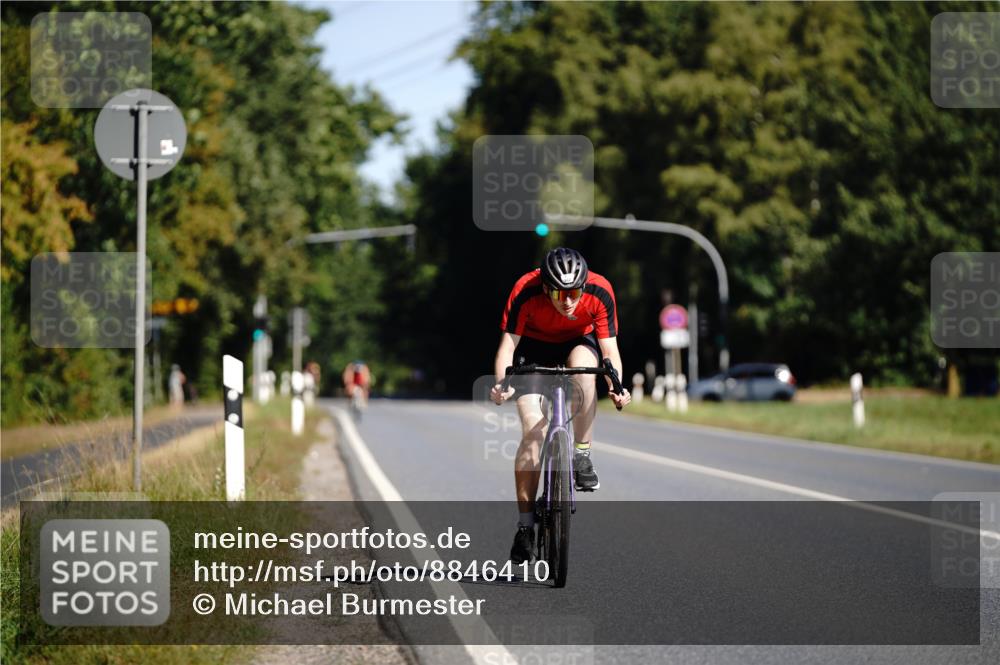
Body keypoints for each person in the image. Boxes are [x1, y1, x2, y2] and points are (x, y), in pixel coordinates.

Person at [490, 247, 631, 564]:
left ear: (584, 285)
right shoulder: (525, 290)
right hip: (533, 350)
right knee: (533, 432)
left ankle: (581, 454)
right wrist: (502, 385)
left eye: (574, 292)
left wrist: (617, 386)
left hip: (578, 344)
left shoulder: (600, 289)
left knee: (585, 372)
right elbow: (507, 348)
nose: (568, 301)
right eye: (558, 293)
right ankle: (525, 527)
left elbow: (609, 351)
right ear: (545, 288)